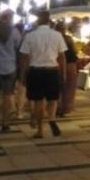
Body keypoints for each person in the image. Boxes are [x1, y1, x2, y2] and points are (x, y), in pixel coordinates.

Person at [18, 10, 67, 138]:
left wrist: (23, 75)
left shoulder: (30, 36)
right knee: (52, 99)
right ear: (49, 20)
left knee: (38, 101)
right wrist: (63, 73)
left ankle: (40, 130)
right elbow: (62, 57)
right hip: (52, 70)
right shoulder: (57, 35)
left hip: (36, 71)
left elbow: (24, 57)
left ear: (38, 20)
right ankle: (51, 119)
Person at [55, 22, 79, 117]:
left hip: (58, 64)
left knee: (58, 87)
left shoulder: (55, 39)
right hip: (71, 64)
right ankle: (67, 107)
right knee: (70, 87)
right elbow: (75, 51)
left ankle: (57, 107)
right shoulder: (69, 38)